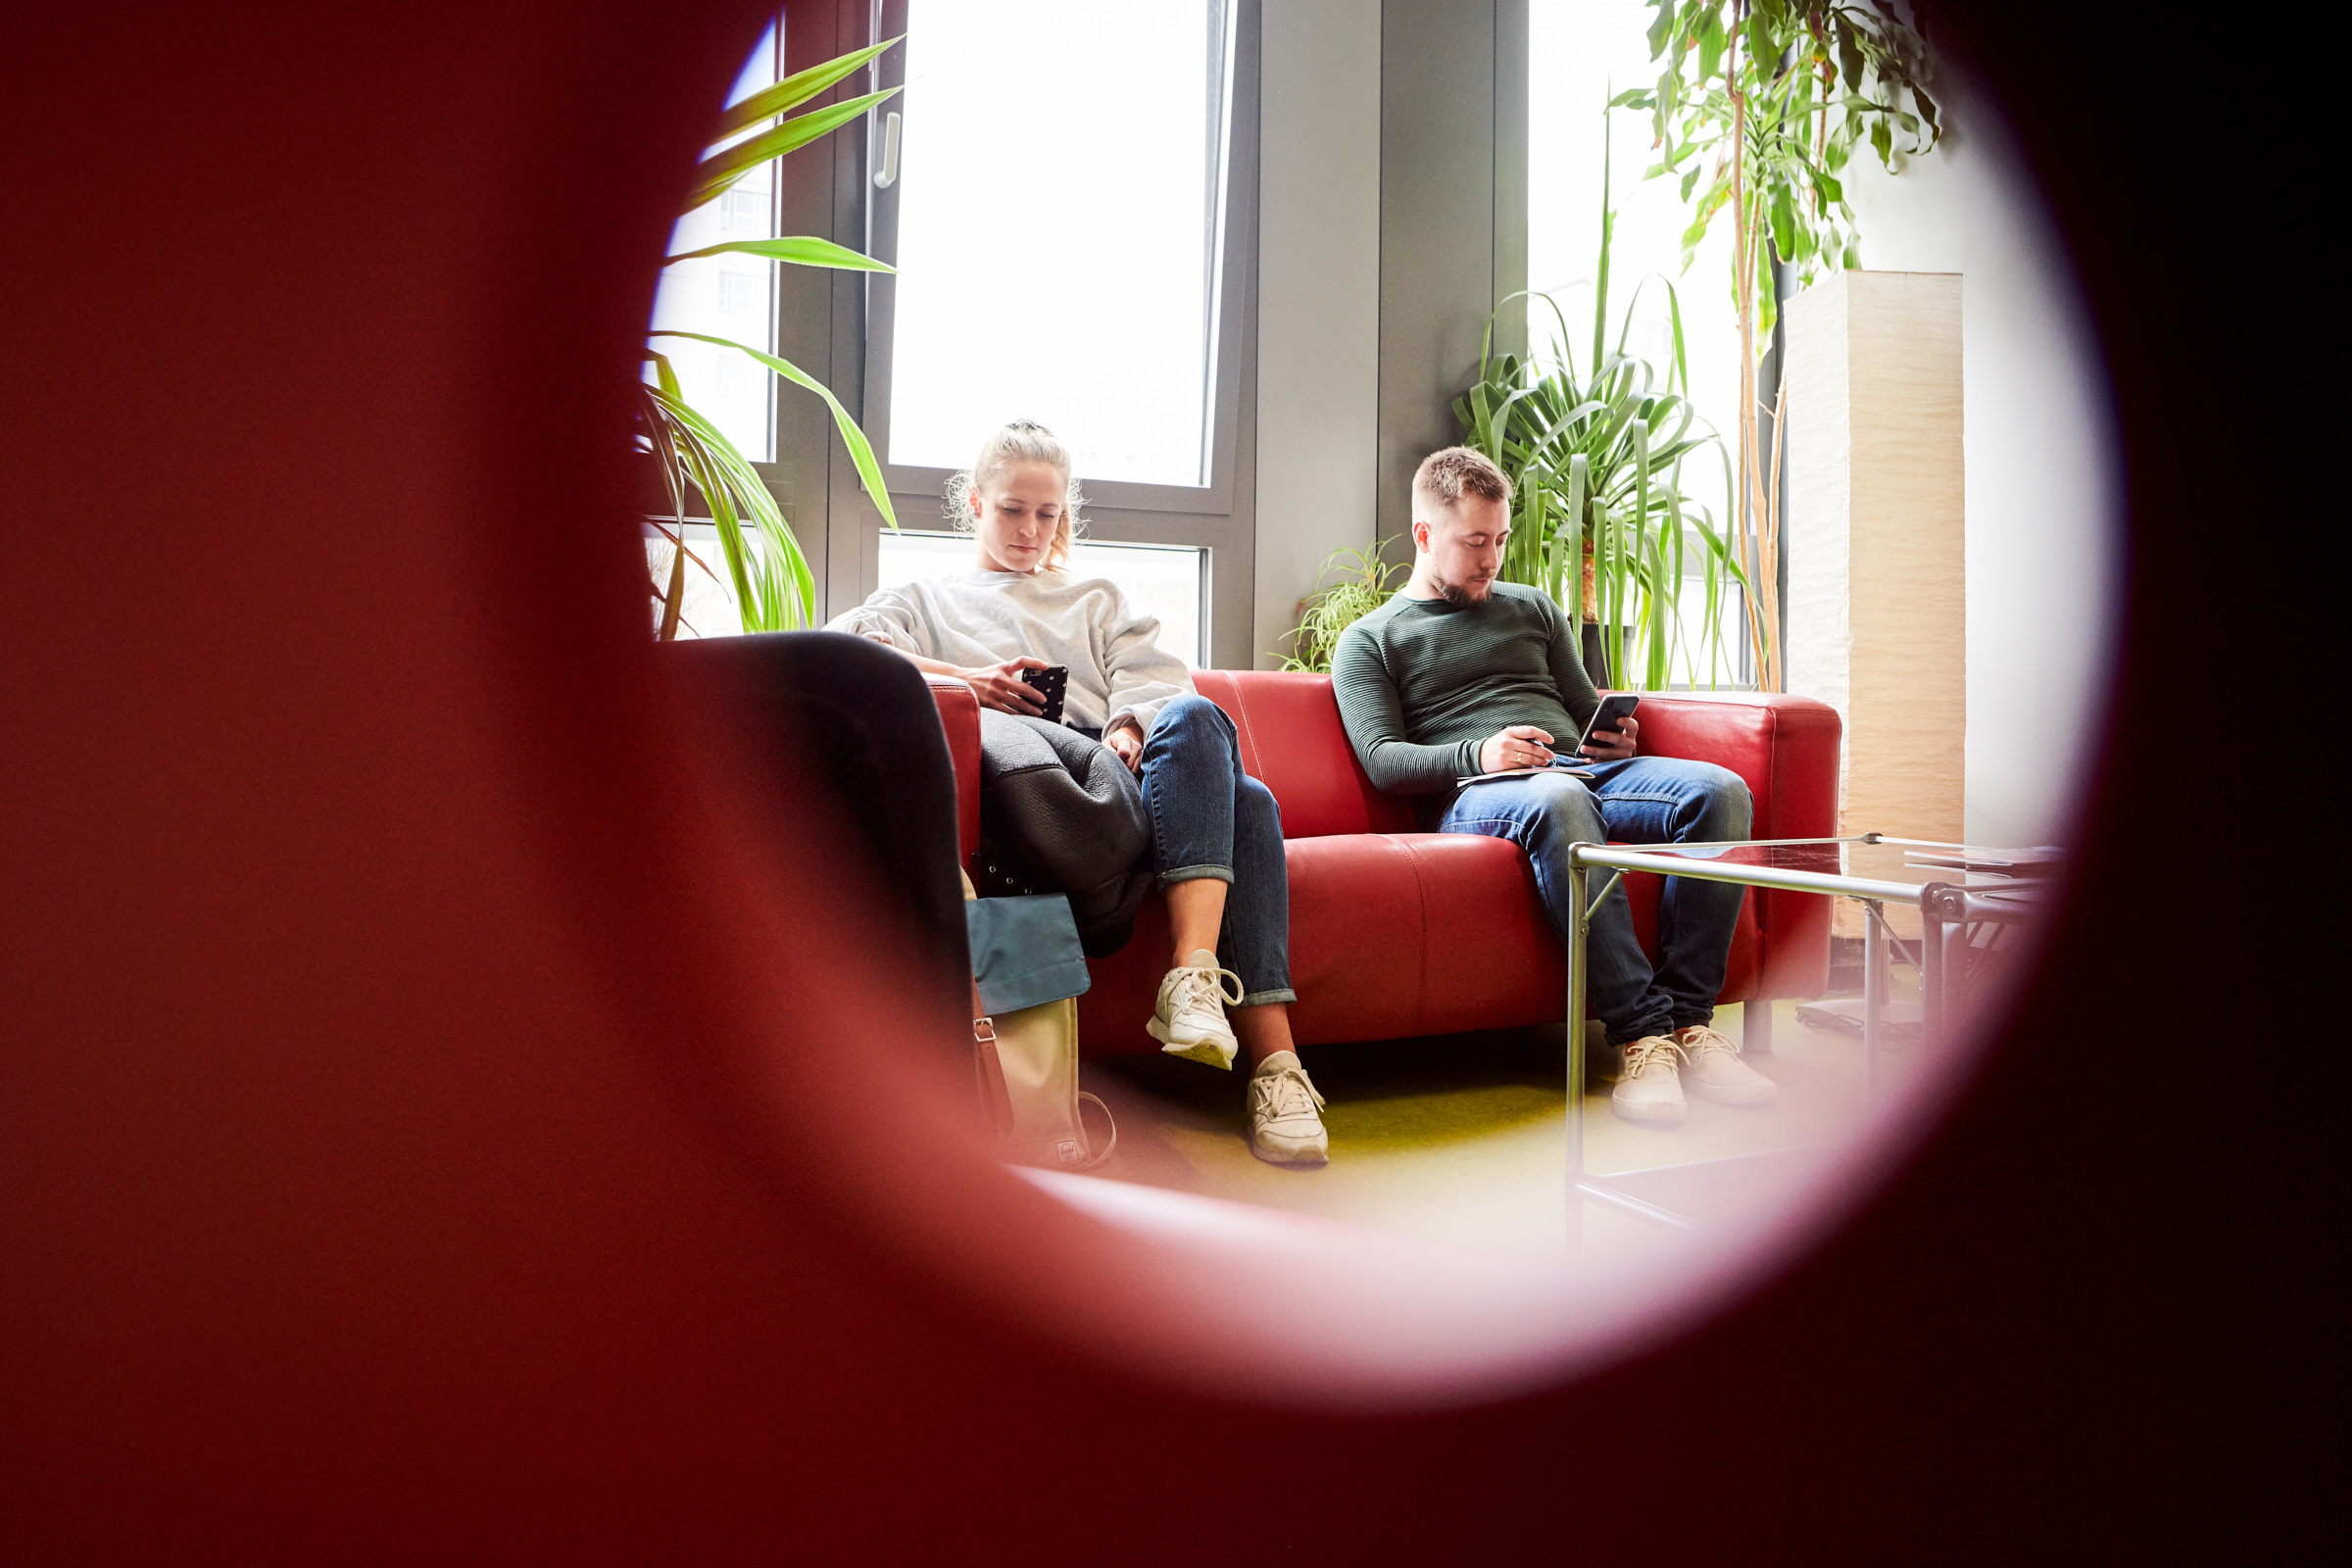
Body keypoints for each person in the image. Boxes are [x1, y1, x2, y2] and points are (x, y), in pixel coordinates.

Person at [827, 420, 1328, 1164]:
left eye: (1047, 513)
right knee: (1248, 802)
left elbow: (1160, 685)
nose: (1030, 530)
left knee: (1200, 724)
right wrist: (976, 683)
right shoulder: (926, 597)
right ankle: (1266, 1056)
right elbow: (848, 646)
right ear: (974, 504)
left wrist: (1128, 726)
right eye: (1011, 510)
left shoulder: (1095, 597)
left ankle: (1219, 1011)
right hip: (1055, 817)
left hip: (1134, 786)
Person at [1330, 447, 1776, 1124]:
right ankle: (1640, 1037)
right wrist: (1484, 753)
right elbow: (1385, 760)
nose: (1492, 559)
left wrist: (1613, 737)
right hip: (1481, 795)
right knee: (1559, 797)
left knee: (1721, 791)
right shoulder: (1371, 639)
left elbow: (1580, 707)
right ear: (1425, 535)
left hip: (1580, 770)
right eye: (1475, 541)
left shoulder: (1532, 607)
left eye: (1501, 539)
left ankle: (1689, 1024)